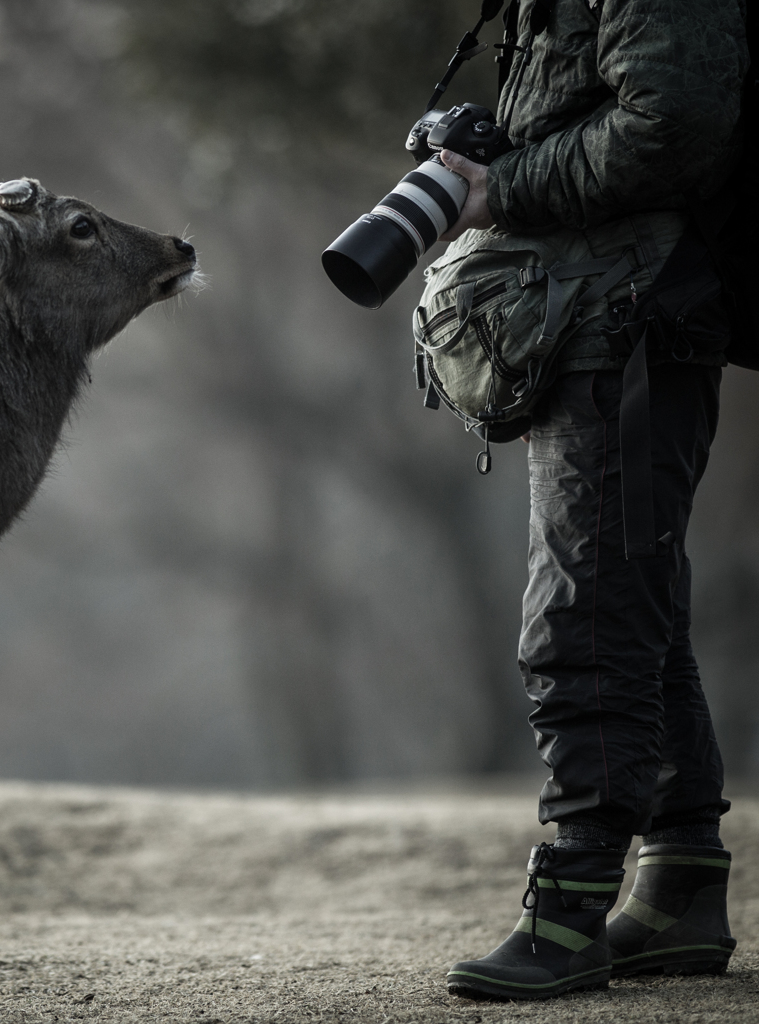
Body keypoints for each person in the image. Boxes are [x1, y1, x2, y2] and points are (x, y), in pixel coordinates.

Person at [430, 0, 750, 1001]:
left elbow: (674, 123)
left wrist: (503, 188)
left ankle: (568, 915)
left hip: (634, 305)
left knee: (588, 611)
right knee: (633, 607)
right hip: (605, 302)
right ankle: (677, 891)